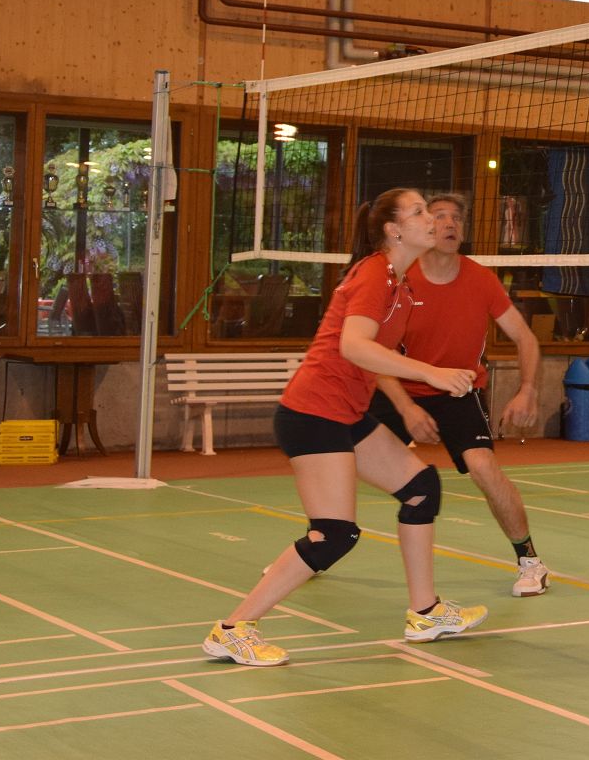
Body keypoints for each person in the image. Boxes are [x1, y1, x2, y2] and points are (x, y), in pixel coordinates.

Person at [203, 189, 487, 668]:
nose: (433, 219)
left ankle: (425, 613)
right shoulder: (375, 273)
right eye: (419, 211)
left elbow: (378, 356)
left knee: (421, 488)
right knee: (334, 534)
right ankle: (234, 630)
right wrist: (431, 373)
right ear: (394, 230)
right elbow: (354, 347)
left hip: (346, 412)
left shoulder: (401, 281)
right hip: (314, 413)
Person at [367, 193, 550, 598]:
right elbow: (375, 355)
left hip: (458, 390)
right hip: (401, 386)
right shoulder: (402, 278)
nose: (450, 224)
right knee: (342, 456)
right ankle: (319, 542)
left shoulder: (481, 279)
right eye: (439, 216)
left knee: (483, 467)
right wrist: (407, 408)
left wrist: (527, 390)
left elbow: (525, 338)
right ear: (425, 227)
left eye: (457, 218)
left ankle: (531, 562)